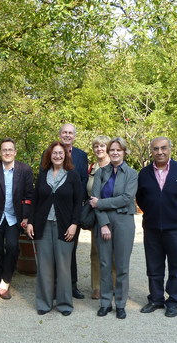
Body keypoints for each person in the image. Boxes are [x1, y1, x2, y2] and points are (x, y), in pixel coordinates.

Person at [136, 137, 177, 318]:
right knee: (153, 267)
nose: (160, 152)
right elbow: (140, 198)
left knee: (176, 267)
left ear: (170, 149)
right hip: (152, 228)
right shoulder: (144, 173)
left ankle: (173, 301)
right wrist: (154, 212)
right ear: (151, 151)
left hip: (176, 228)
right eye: (156, 149)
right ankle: (155, 299)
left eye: (163, 148)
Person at [27, 141, 83, 316]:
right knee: (44, 266)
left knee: (64, 267)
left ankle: (65, 304)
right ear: (49, 156)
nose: (57, 156)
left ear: (65, 155)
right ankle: (44, 303)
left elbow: (78, 203)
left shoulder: (73, 175)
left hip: (64, 226)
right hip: (43, 225)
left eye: (61, 153)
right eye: (54, 153)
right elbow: (35, 200)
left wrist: (74, 224)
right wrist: (30, 222)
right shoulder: (43, 174)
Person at [89, 137, 138, 320]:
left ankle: (121, 304)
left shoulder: (132, 174)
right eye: (112, 150)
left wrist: (102, 202)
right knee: (105, 264)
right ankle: (104, 303)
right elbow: (93, 201)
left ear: (124, 152)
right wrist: (103, 224)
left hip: (124, 222)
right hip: (104, 223)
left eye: (119, 150)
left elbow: (126, 198)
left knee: (122, 265)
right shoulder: (101, 173)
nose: (115, 153)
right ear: (108, 152)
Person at [0, 138, 33, 300]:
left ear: (15, 152)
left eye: (10, 150)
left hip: (14, 217)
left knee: (12, 247)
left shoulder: (24, 170)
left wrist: (26, 216)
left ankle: (5, 281)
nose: (7, 152)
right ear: (0, 152)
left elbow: (28, 196)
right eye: (4, 150)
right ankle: (0, 279)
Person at [56, 123, 89, 299]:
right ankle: (56, 285)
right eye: (64, 132)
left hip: (74, 208)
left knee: (71, 248)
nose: (67, 135)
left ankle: (72, 285)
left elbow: (84, 180)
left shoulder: (82, 156)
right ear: (60, 134)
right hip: (54, 210)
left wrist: (77, 200)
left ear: (74, 136)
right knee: (55, 248)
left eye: (70, 133)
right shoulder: (51, 152)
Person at [86, 135, 113, 300]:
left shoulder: (116, 165)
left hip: (113, 213)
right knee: (96, 251)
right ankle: (96, 286)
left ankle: (114, 284)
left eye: (103, 146)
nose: (99, 149)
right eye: (96, 146)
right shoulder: (92, 168)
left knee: (114, 252)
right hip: (95, 214)